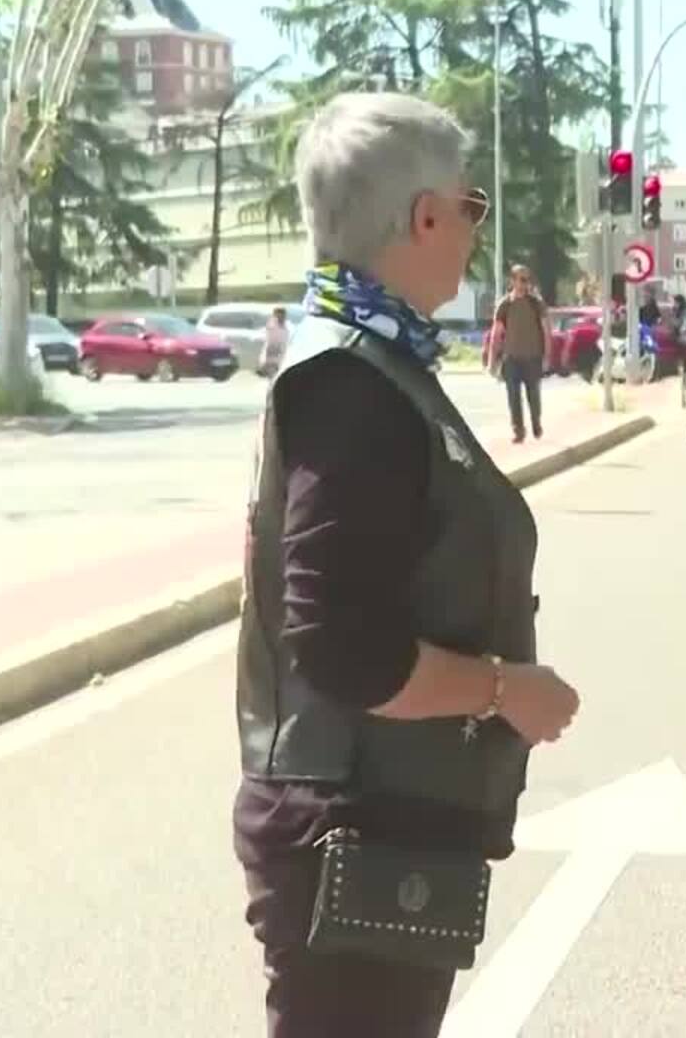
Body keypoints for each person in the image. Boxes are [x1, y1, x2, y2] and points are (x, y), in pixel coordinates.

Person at [234, 92, 580, 1038]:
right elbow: (345, 651)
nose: (475, 231)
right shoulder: (350, 385)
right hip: (351, 826)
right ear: (425, 217)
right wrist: (505, 690)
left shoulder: (381, 365)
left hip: (384, 823)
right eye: (471, 207)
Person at [486, 263, 550, 442]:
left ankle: (536, 422)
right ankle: (518, 430)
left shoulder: (536, 303)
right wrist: (492, 361)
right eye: (521, 279)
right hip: (511, 358)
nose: (524, 284)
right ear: (512, 281)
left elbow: (546, 331)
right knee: (513, 396)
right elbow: (496, 334)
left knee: (533, 395)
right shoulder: (505, 305)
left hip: (532, 357)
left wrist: (547, 356)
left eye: (527, 280)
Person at [260, 306, 290, 377]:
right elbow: (268, 341)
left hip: (281, 355)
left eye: (282, 316)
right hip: (272, 354)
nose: (280, 317)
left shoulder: (287, 326)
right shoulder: (271, 326)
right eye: (278, 316)